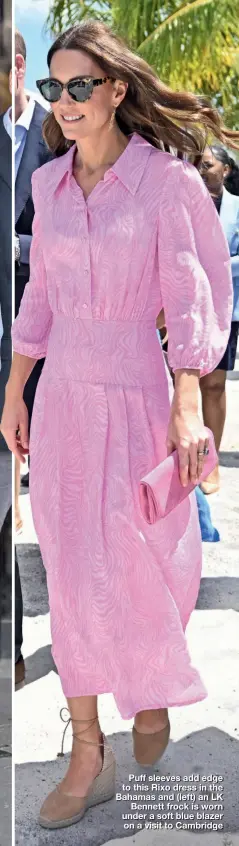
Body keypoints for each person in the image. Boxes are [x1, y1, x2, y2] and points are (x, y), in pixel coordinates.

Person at [1, 20, 235, 831]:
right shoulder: (49, 187)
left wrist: (184, 398)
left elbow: (193, 292)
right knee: (68, 573)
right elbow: (38, 299)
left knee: (147, 563)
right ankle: (86, 750)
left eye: (76, 87)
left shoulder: (166, 183)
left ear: (115, 90)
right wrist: (15, 386)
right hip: (64, 393)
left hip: (138, 388)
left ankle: (150, 688)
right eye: (50, 89)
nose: (61, 103)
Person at [2, 29, 53, 690]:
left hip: (55, 350)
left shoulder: (59, 132)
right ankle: (11, 646)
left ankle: (80, 637)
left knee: (60, 509)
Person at [200, 145, 239, 494]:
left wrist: (216, 264)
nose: (201, 169)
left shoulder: (237, 208)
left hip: (225, 309)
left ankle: (210, 465)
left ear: (225, 170)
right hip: (183, 307)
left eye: (208, 164)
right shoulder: (184, 200)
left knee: (213, 385)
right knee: (174, 385)